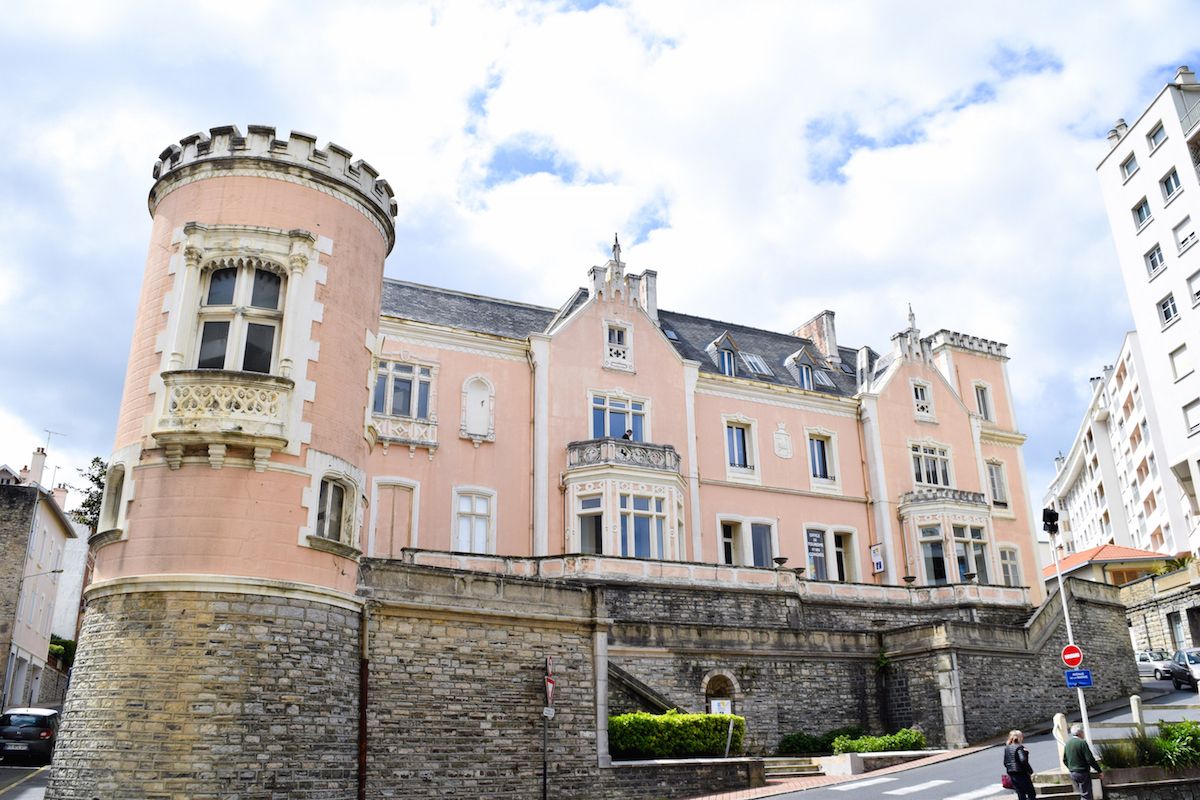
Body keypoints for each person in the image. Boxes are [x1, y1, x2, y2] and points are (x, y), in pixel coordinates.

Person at [1062, 723, 1102, 800]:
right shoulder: (1082, 743)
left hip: (1073, 773)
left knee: (1080, 794)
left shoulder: (1068, 744)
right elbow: (1090, 759)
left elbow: (1064, 760)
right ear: (1080, 733)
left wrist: (1071, 767)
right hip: (1082, 772)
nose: (1084, 734)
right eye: (1083, 732)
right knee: (1086, 795)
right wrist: (1099, 770)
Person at [1002, 729, 1035, 800]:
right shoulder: (1020, 747)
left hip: (1012, 774)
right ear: (1019, 737)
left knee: (1020, 794)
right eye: (1022, 736)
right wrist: (1030, 771)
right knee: (1031, 793)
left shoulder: (1007, 748)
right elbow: (1023, 760)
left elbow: (1005, 763)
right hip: (1021, 773)